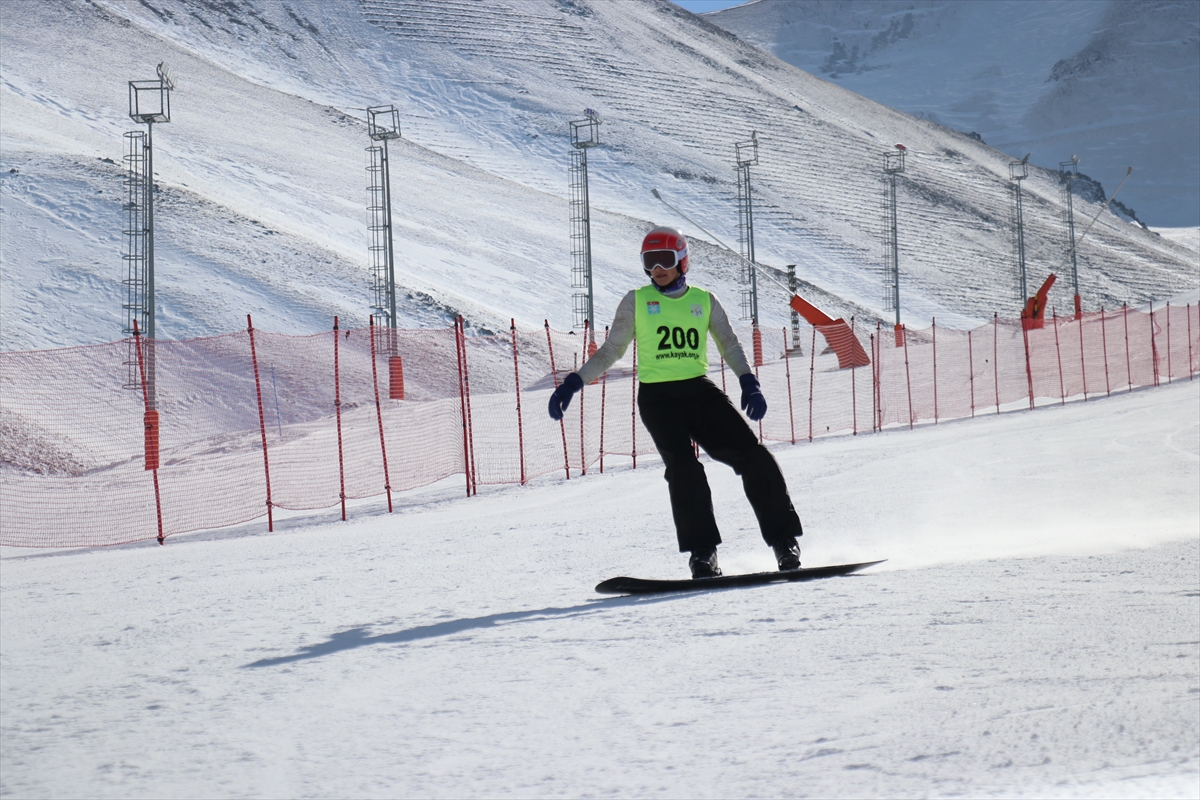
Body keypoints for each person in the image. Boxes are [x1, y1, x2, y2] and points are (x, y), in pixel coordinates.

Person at [548, 226, 803, 578]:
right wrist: (574, 382)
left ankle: (784, 543)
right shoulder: (636, 301)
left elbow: (729, 344)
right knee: (684, 470)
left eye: (664, 259)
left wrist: (748, 381)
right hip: (658, 398)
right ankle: (703, 555)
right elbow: (611, 350)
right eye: (649, 261)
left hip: (699, 391)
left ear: (682, 261)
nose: (657, 268)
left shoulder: (703, 300)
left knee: (754, 456)